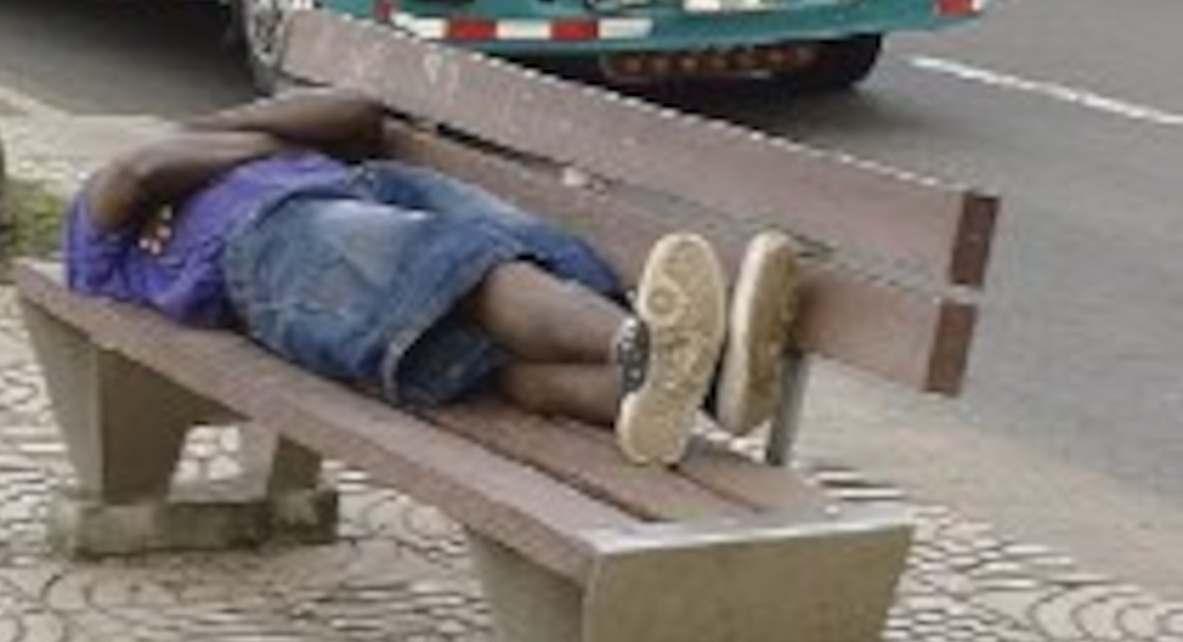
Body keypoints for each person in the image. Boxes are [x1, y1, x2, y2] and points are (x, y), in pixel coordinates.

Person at [64, 89, 801, 467]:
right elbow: (139, 170)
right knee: (460, 266)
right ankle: (663, 350)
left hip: (371, 184)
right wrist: (250, 145)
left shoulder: (212, 151)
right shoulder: (96, 236)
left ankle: (696, 381)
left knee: (519, 301)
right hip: (270, 247)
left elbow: (356, 110)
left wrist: (213, 130)